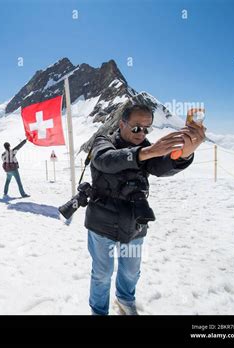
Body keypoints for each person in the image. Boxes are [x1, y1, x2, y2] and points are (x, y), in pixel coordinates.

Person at [85, 104, 205, 315]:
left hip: (134, 221)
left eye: (147, 128)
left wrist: (185, 153)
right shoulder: (103, 142)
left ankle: (125, 299)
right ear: (121, 123)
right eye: (136, 127)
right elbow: (106, 161)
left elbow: (160, 166)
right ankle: (98, 311)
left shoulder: (146, 147)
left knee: (131, 271)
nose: (142, 133)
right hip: (102, 222)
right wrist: (146, 152)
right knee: (102, 273)